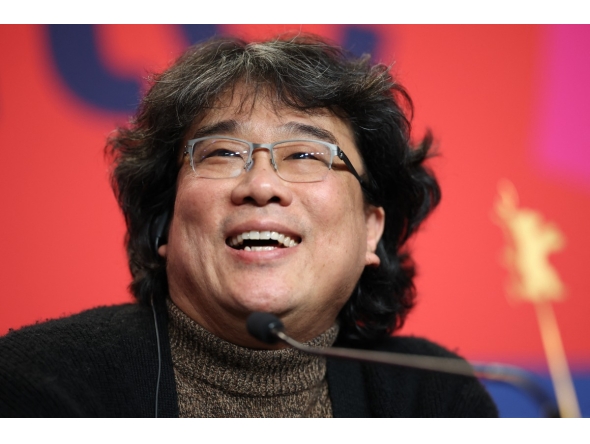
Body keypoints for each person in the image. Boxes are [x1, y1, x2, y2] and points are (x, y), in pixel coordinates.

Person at [0, 34, 498, 417]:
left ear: (371, 229)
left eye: (305, 153)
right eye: (222, 153)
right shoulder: (38, 383)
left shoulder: (432, 396)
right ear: (165, 223)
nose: (261, 185)